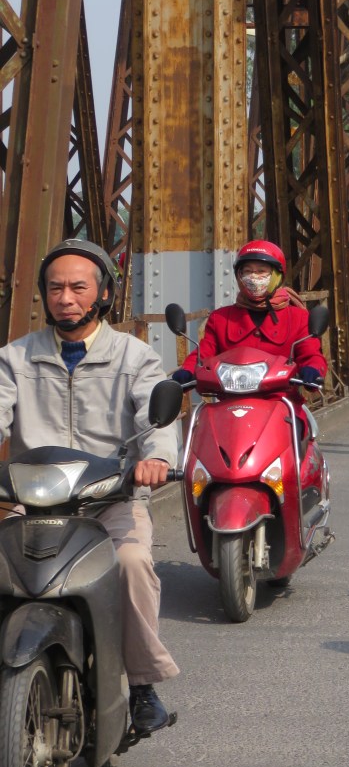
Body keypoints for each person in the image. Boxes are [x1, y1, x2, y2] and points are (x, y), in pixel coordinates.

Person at [0, 240, 181, 733]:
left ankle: (141, 686)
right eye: (55, 287)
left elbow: (155, 416)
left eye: (78, 287)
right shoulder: (15, 358)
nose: (65, 298)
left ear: (103, 294)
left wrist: (157, 458)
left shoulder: (134, 356)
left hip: (109, 502)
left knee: (133, 563)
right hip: (34, 504)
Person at [175, 240, 327, 395]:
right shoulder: (220, 318)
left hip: (281, 400)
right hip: (231, 400)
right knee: (202, 412)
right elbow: (204, 353)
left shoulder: (298, 317)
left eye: (261, 271)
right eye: (247, 271)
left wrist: (312, 369)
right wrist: (187, 371)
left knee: (301, 413)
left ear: (277, 276)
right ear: (239, 276)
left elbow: (310, 354)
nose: (254, 276)